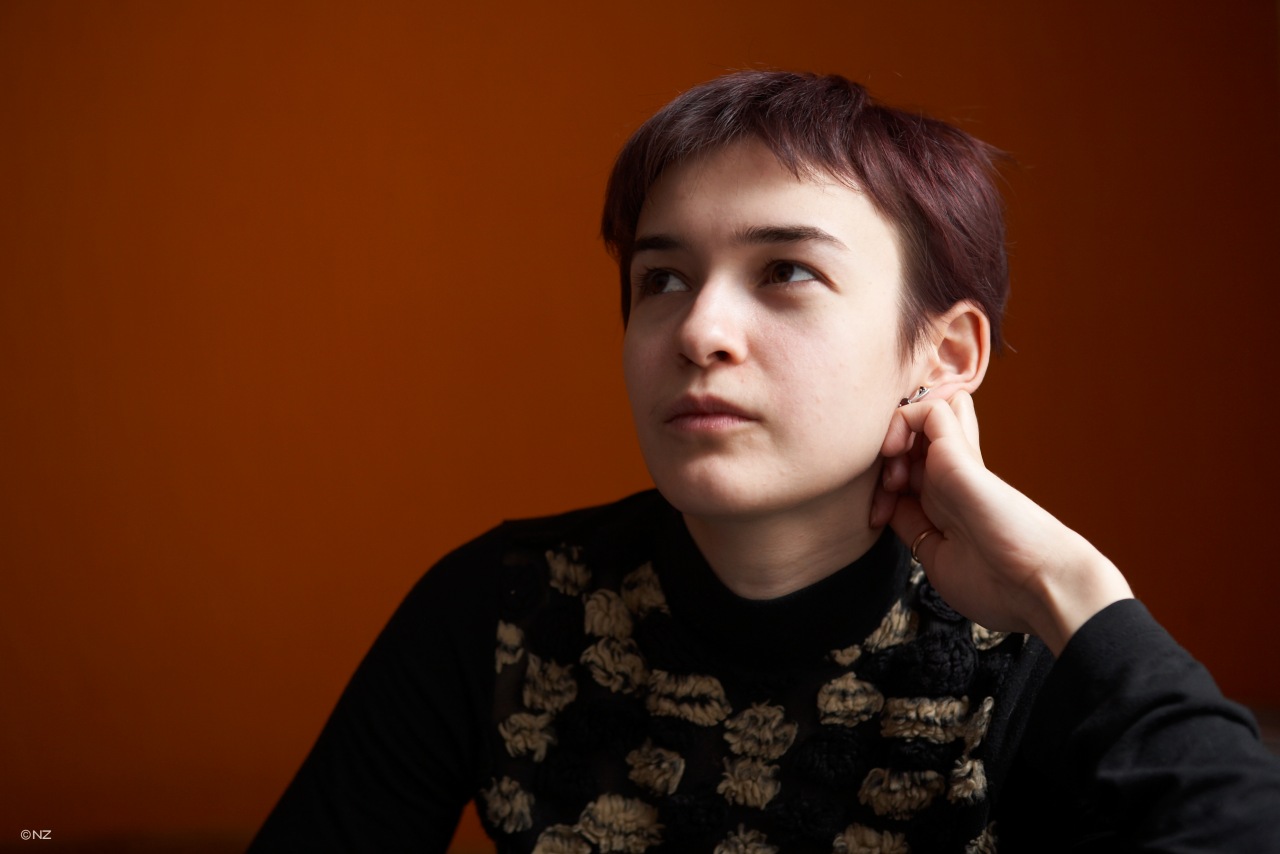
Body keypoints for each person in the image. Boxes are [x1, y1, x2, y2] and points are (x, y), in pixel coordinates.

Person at [249, 71, 1280, 852]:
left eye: (785, 270)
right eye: (661, 279)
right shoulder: (501, 612)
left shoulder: (1024, 655)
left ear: (943, 355)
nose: (700, 330)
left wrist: (1073, 589)